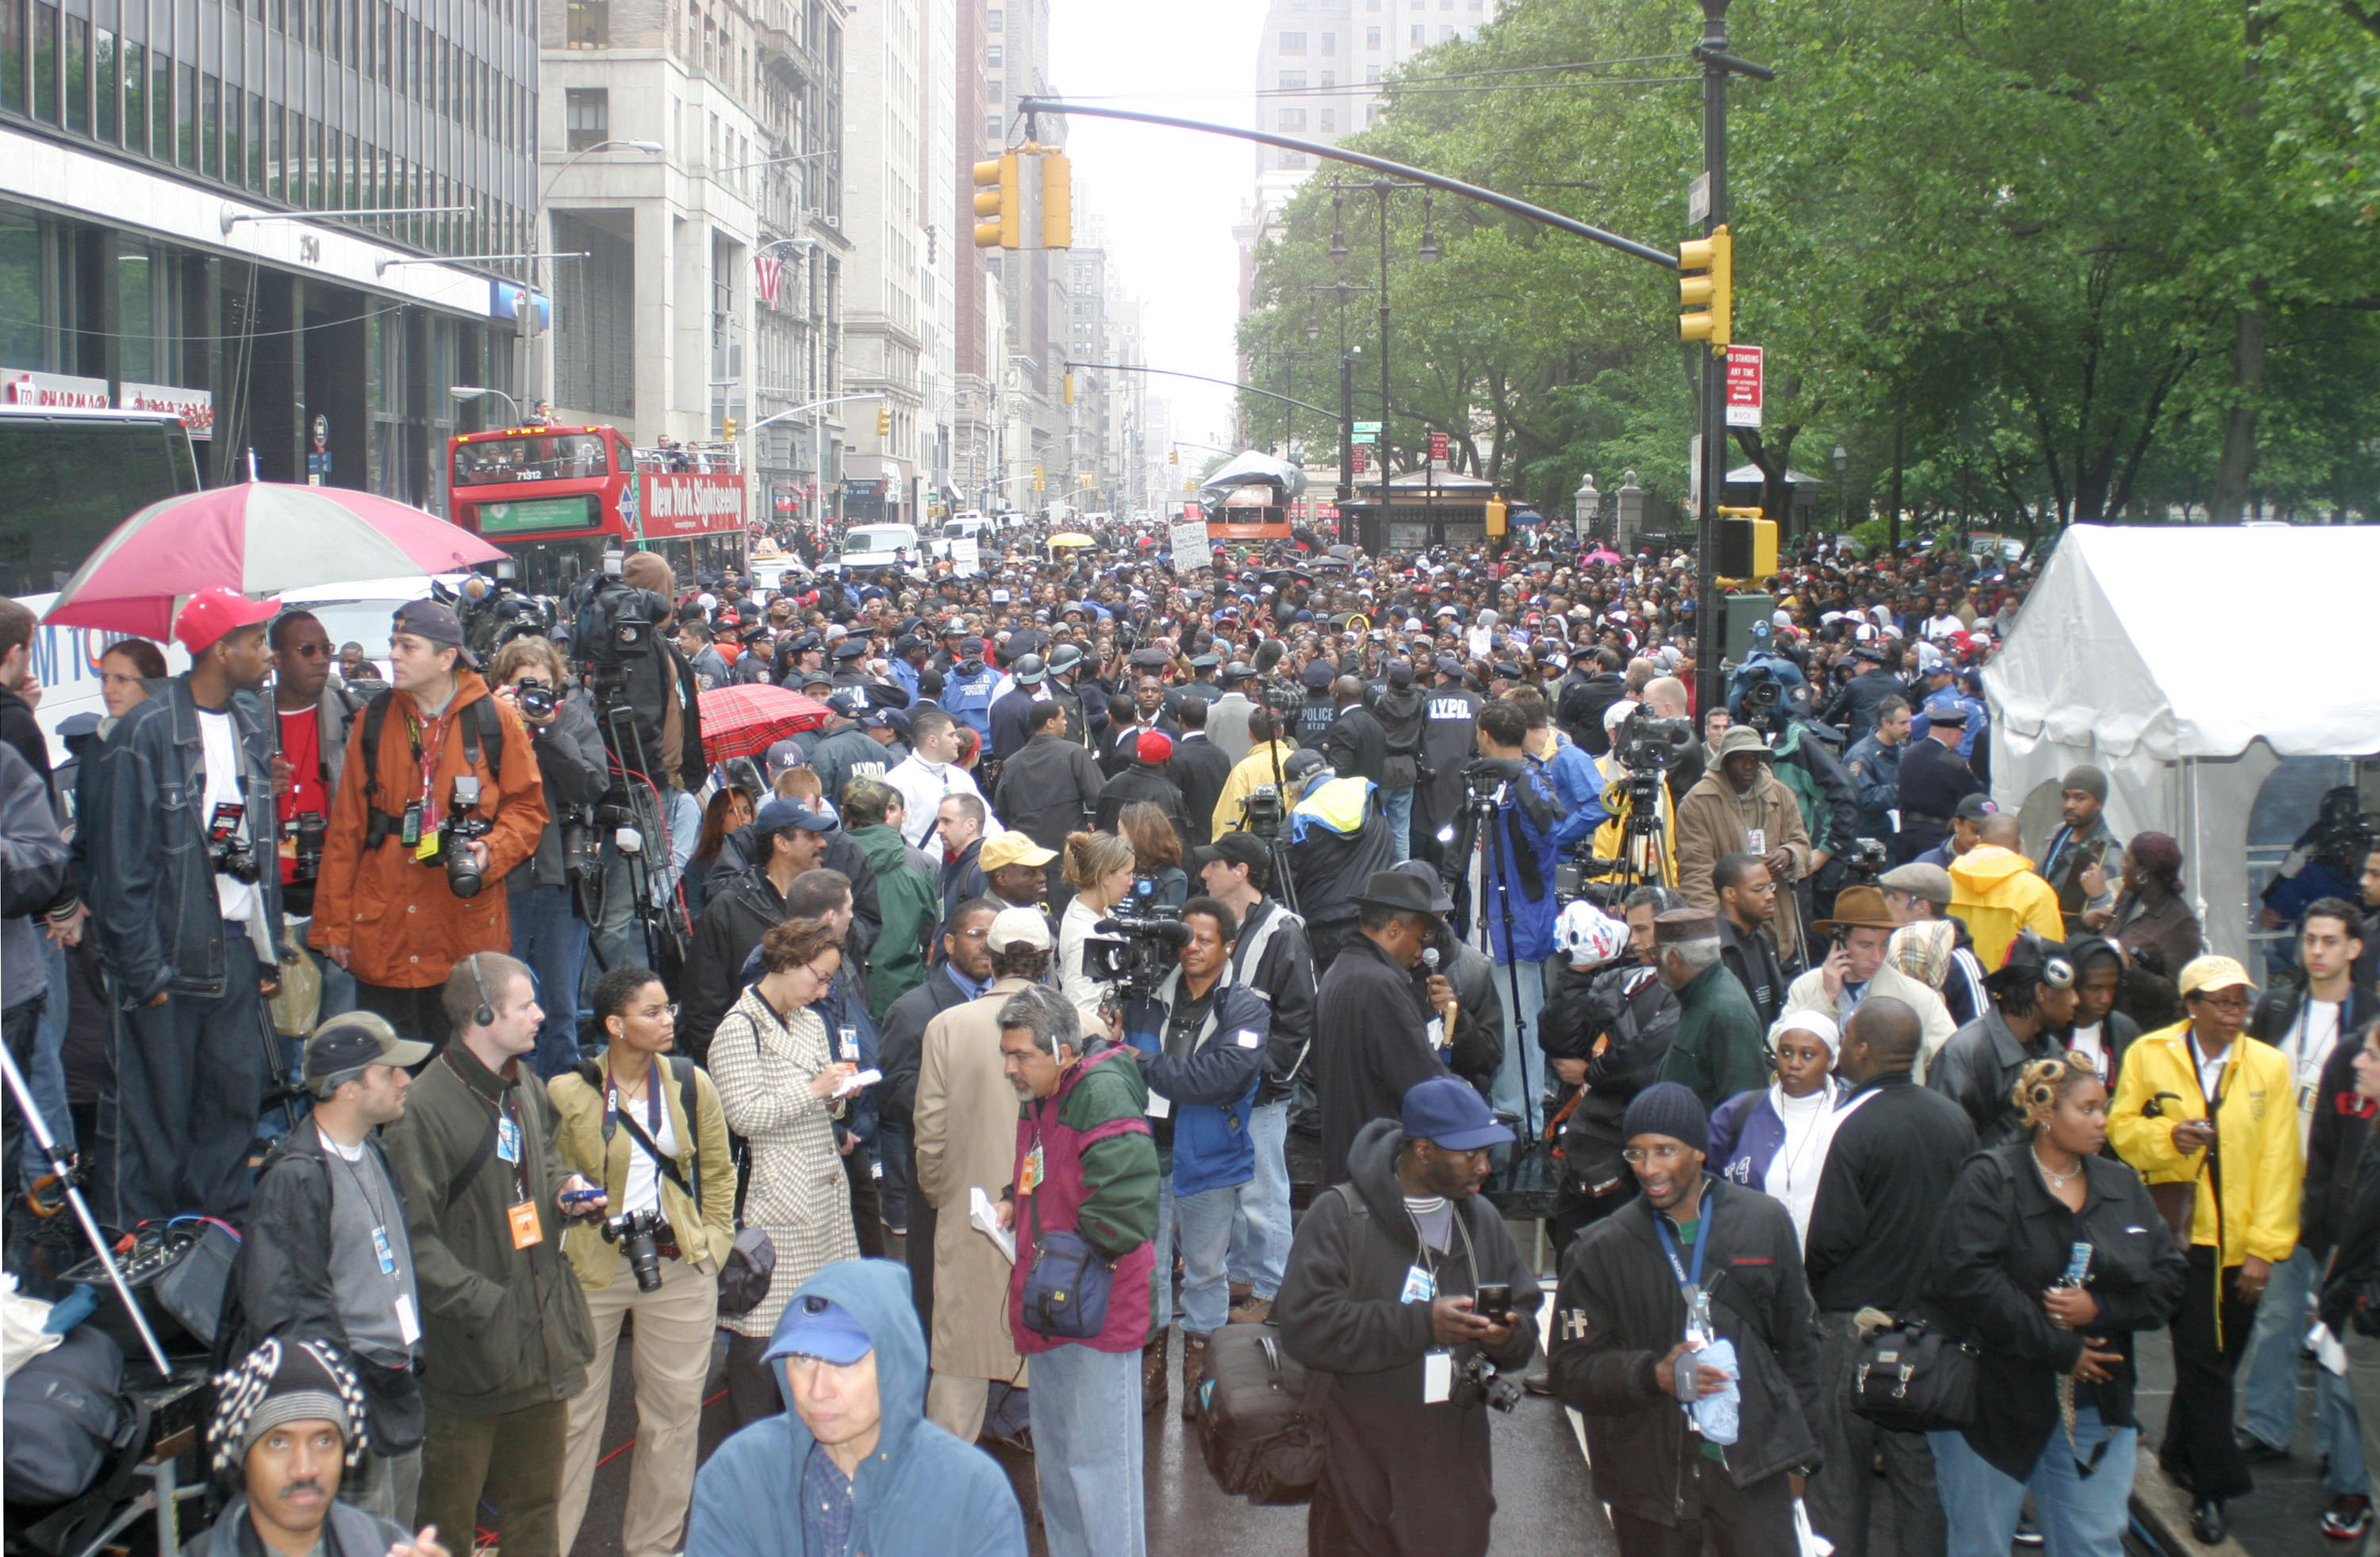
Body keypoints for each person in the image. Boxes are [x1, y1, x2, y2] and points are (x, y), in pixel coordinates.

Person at [378, 954, 604, 1557]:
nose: (542, 1014)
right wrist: (487, 1305)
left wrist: (564, 1189)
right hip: (467, 1368)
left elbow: (545, 1158)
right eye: (525, 1004)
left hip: (540, 1348)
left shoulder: (521, 1082)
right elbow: (407, 1239)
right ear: (482, 1014)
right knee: (443, 1531)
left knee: (536, 1516)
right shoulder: (420, 1110)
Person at [1925, 1057, 2188, 1557]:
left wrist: (2102, 1308)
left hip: (2095, 1406)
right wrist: (2062, 1350)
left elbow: (2168, 1278)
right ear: (2044, 1112)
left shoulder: (2121, 1184)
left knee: (2094, 1543)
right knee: (1980, 1545)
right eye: (2087, 1108)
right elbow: (1967, 1279)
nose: (2101, 1121)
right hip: (1992, 1405)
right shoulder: (1990, 1180)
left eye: (2103, 1108)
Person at [1551, 1081, 1822, 1557]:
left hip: (1755, 1476)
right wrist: (1651, 1375)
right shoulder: (1598, 1249)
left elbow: (1798, 1349)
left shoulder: (1764, 1222)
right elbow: (1569, 1372)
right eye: (1635, 1154)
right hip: (1652, 1488)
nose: (1649, 1168)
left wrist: (1798, 1460)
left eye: (1665, 1150)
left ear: (1698, 1150)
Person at [1275, 1075, 1540, 1557]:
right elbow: (1303, 1326)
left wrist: (1506, 1337)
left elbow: (1525, 1326)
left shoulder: (1481, 1220)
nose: (1485, 1166)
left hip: (1456, 1489)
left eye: (1487, 1151)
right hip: (1359, 1480)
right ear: (1422, 1150)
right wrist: (1422, 1325)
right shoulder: (1341, 1215)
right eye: (1469, 1153)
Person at [90, 586, 285, 1225]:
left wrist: (262, 947)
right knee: (154, 1128)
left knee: (230, 1115)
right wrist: (146, 975)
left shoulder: (248, 720)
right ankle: (142, 1267)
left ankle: (216, 1248)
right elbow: (121, 867)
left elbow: (231, 833)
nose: (267, 654)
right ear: (221, 650)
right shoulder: (145, 732)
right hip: (167, 961)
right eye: (257, 642)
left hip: (230, 950)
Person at [2106, 955, 2304, 1544]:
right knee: (2201, 1358)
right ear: (2192, 1004)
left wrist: (2266, 1249)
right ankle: (2214, 1487)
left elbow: (2280, 1162)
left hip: (2242, 1242)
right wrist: (2169, 1136)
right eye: (2222, 1002)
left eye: (2242, 1001)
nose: (2235, 1013)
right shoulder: (2150, 1054)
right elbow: (2120, 1129)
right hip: (2184, 1237)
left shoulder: (2266, 1065)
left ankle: (2177, 1449)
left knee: (2220, 1360)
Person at [547, 967, 737, 1557]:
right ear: (614, 1025)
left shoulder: (688, 1081)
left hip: (678, 1262)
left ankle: (653, 1547)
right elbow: (544, 1176)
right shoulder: (567, 1090)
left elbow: (718, 1170)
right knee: (574, 1422)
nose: (667, 1020)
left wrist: (714, 1245)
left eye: (667, 1008)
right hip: (592, 1268)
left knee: (674, 1419)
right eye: (651, 1012)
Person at [221, 1012, 434, 1522]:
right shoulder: (297, 1178)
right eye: (389, 1072)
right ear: (348, 1089)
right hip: (349, 1403)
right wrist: (338, 1409)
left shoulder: (375, 1152)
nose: (405, 1080)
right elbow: (285, 1312)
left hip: (394, 1385)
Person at [311, 598, 547, 1051]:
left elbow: (528, 810)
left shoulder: (494, 719)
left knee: (469, 1066)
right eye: (393, 644)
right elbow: (346, 830)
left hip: (463, 924)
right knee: (393, 1071)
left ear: (445, 658)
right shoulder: (373, 719)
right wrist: (334, 926)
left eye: (407, 646)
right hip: (386, 929)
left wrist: (490, 852)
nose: (394, 655)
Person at [685, 1258, 1027, 1557]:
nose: (818, 1390)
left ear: (896, 1365)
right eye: (802, 1359)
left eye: (843, 1362)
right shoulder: (738, 1475)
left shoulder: (972, 1494)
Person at [1800, 998, 1976, 1557]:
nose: (1844, 1049)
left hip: (1853, 1328)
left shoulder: (1849, 1123)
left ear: (1865, 1049)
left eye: (1848, 1038)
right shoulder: (1955, 1119)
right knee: (1921, 1483)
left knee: (1838, 1478)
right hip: (1929, 1334)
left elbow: (1829, 1237)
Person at [993, 984, 1161, 1557]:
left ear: (1063, 1049)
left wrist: (1064, 1262)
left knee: (1100, 1470)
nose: (1011, 1068)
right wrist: (1014, 1201)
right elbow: (1050, 1173)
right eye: (1007, 1054)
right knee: (1061, 1468)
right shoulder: (1041, 1092)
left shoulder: (1102, 1090)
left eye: (1022, 1056)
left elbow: (1127, 1206)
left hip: (1093, 1309)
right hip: (1053, 1304)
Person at [2234, 898, 2377, 1532]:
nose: (2316, 949)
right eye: (2309, 938)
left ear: (2354, 948)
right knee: (2277, 1311)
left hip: (2346, 1197)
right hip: (2281, 1179)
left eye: (2329, 939)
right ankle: (2265, 1423)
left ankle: (2339, 1451)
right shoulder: (2277, 1006)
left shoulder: (2368, 1024)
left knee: (2338, 1333)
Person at [1116, 895, 1270, 1415]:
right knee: (1149, 1266)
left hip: (1211, 1158)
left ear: (1230, 945)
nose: (1194, 948)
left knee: (1206, 1270)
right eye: (1187, 937)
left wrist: (1149, 1064)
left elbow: (1223, 1075)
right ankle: (1153, 1361)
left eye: (1206, 939)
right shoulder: (1145, 997)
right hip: (1147, 1155)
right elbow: (1114, 1062)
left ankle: (1201, 1366)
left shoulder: (1246, 1006)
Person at [709, 915, 865, 1425]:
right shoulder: (738, 1028)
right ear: (786, 963)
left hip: (820, 1189)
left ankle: (810, 1427)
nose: (824, 989)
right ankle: (754, 1442)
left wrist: (840, 1094)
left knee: (817, 1323)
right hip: (775, 1198)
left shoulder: (808, 1020)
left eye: (830, 980)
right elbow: (745, 1115)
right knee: (763, 1327)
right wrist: (817, 1090)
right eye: (819, 977)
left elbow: (823, 1106)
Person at [910, 904, 1045, 1440]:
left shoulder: (946, 1026)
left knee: (957, 1377)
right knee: (1054, 1378)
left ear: (990, 958)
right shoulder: (1081, 1026)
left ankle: (941, 1505)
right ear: (1048, 958)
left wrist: (944, 1199)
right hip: (1052, 1230)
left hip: (969, 1219)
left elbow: (931, 1133)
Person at [1468, 695, 1604, 1137]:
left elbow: (1547, 830)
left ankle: (1519, 1117)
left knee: (1514, 1024)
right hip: (1497, 922)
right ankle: (1514, 1107)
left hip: (1516, 926)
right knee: (1506, 1020)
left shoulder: (1529, 782)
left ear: (1485, 735)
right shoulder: (1503, 780)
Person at [1196, 830, 1317, 1325]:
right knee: (1239, 1188)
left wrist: (1267, 1078)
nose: (1203, 874)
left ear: (1241, 872)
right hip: (1228, 1089)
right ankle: (1245, 1274)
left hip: (1260, 1094)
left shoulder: (1284, 931)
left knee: (1265, 1194)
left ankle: (1274, 1289)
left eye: (1213, 866)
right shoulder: (1227, 926)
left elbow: (1302, 1017)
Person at [190, 1338, 444, 1557]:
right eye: (279, 1442)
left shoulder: (386, 1544)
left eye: (324, 1441)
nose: (305, 1469)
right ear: (242, 1457)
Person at [489, 635, 611, 1078]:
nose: (531, 696)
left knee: (559, 1003)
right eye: (522, 685)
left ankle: (558, 1095)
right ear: (502, 685)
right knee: (505, 1001)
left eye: (541, 685)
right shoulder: (486, 721)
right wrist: (500, 718)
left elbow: (592, 785)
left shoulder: (567, 720)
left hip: (560, 874)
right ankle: (508, 1092)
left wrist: (549, 729)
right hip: (505, 876)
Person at [1313, 869, 1460, 1186]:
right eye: (1418, 939)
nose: (1421, 953)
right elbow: (1420, 1082)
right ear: (1394, 929)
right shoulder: (1380, 984)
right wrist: (1465, 1099)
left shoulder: (1338, 972)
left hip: (1343, 1160)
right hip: (1377, 1168)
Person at [678, 800, 840, 1061]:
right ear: (781, 843)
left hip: (818, 1064)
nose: (822, 843)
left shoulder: (827, 902)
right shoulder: (731, 908)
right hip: (748, 1068)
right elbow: (703, 1003)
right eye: (811, 836)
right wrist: (724, 1068)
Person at [267, 609, 364, 1026]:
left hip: (340, 905)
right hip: (273, 907)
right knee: (284, 1035)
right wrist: (254, 786)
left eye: (325, 649)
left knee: (341, 1038)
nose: (321, 659)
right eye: (307, 650)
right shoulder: (248, 722)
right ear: (275, 659)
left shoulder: (353, 714)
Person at [1677, 727, 1816, 968]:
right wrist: (1715, 931)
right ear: (1724, 761)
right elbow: (1696, 873)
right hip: (1728, 924)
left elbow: (1802, 844)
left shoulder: (1781, 794)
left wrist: (1789, 854)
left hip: (1776, 919)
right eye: (1740, 758)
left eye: (1754, 758)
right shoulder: (1698, 802)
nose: (1749, 765)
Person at [1706, 1011, 1848, 1244]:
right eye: (1786, 1052)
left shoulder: (1849, 1115)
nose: (1794, 1064)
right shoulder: (1736, 1113)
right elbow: (1709, 1187)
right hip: (1752, 1257)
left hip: (1829, 1263)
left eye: (1808, 1055)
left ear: (1831, 1061)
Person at [1779, 884, 1959, 1065]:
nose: (1877, 957)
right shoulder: (1805, 986)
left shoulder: (1919, 998)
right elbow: (1778, 1044)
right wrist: (1824, 1001)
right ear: (1839, 941)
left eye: (1884, 945)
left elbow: (1951, 1060)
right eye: (1866, 946)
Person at [1930, 934, 2084, 1146]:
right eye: (2069, 990)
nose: (2076, 1000)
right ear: (2042, 992)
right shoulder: (1964, 1054)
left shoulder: (2051, 1050)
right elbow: (1944, 1144)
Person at [838, 777, 938, 1021]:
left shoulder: (828, 861)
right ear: (886, 813)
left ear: (844, 813)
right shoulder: (923, 865)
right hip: (904, 992)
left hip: (847, 992)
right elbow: (932, 933)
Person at [1653, 907, 1768, 1110]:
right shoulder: (1700, 991)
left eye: (1655, 952)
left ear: (1673, 958)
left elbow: (1743, 1107)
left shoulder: (1727, 1013)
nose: (1654, 961)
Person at [1879, 861, 1993, 1027]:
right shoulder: (1886, 946)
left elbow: (1981, 1030)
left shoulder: (1962, 962)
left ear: (1921, 907)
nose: (1887, 903)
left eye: (1896, 898)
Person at [1948, 814, 2065, 971]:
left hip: (1954, 989)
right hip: (2010, 991)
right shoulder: (2036, 891)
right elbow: (2049, 953)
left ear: (1979, 840)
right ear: (2021, 846)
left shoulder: (1945, 883)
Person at [992, 700, 1105, 858]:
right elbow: (1099, 797)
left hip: (1027, 854)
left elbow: (1001, 811)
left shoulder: (1011, 764)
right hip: (1067, 853)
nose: (1066, 722)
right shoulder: (1075, 753)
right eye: (1063, 718)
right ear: (1050, 723)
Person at [2086, 832, 2204, 980]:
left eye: (2127, 860)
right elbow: (2112, 937)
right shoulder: (2130, 895)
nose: (2123, 866)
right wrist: (2090, 925)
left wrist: (2130, 970)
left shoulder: (2181, 923)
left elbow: (2178, 993)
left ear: (2143, 872)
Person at [1056, 828, 1136, 1026]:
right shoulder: (1087, 936)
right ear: (1106, 877)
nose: (1132, 882)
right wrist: (1108, 1037)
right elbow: (1081, 1012)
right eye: (1128, 873)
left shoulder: (1089, 911)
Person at [1893, 693, 1984, 865]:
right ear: (1950, 734)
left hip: (1907, 833)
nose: (1961, 739)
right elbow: (1976, 796)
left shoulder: (1908, 755)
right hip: (1937, 836)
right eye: (1960, 734)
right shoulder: (1954, 763)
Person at [2040, 765, 2124, 938]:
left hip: (2077, 942)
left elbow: (2112, 915)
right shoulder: (2057, 834)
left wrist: (2099, 898)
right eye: (2066, 797)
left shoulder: (2107, 851)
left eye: (2080, 798)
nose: (2070, 805)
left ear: (2099, 803)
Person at [1714, 851, 1789, 1030]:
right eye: (1758, 889)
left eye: (1771, 887)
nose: (1770, 895)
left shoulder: (1761, 941)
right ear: (1730, 894)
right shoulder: (1714, 950)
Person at [1118, 800, 1189, 911]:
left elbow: (1164, 921)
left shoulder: (1172, 877)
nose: (1117, 839)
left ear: (1137, 835)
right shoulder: (1115, 869)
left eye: (1120, 832)